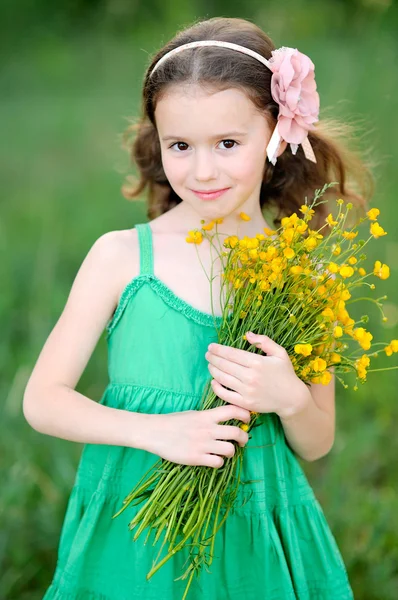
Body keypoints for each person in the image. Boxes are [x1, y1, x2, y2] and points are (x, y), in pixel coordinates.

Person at [23, 16, 374, 600]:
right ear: (158, 141)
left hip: (254, 525)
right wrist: (159, 432)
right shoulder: (121, 258)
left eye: (228, 144)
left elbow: (317, 440)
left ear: (277, 135)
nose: (202, 170)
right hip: (136, 522)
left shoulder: (300, 274)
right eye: (180, 146)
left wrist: (288, 397)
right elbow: (43, 401)